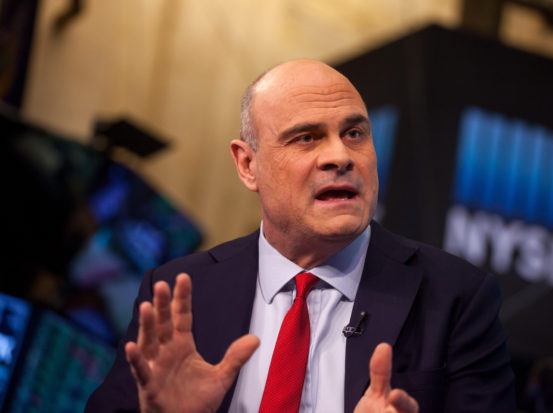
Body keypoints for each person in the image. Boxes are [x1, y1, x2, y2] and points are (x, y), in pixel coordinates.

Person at [86, 59, 515, 412]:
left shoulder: (455, 297)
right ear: (248, 165)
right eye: (307, 138)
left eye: (355, 134)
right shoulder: (181, 293)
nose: (340, 156)